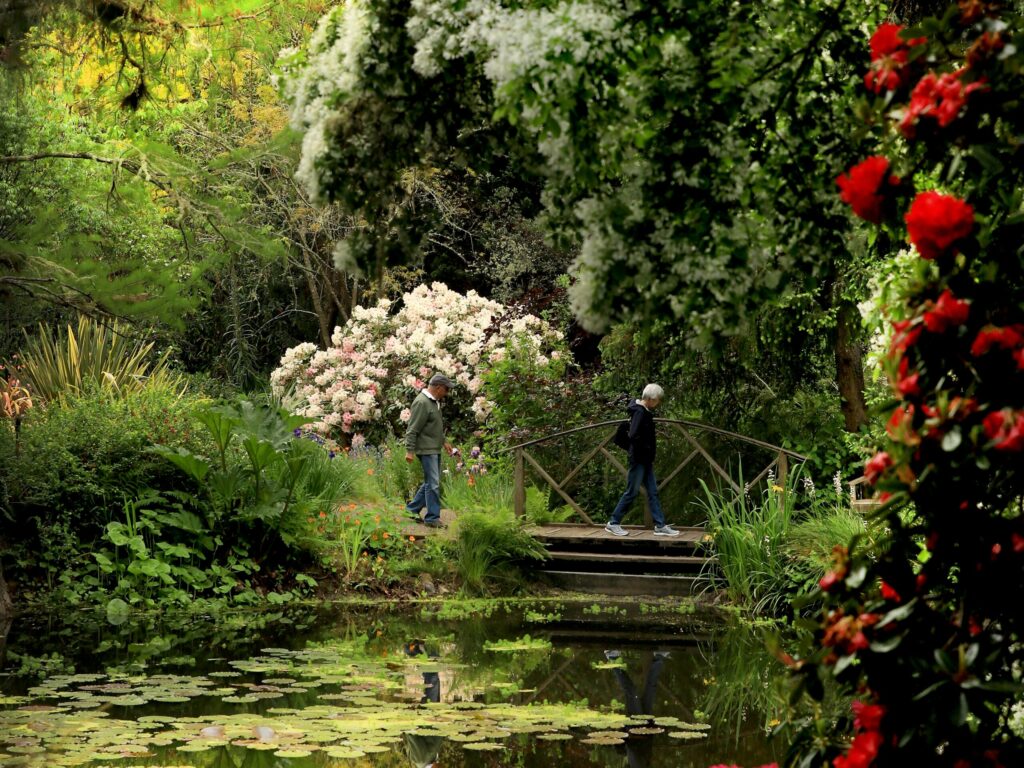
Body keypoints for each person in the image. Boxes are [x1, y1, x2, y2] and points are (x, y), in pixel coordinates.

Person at [605, 384, 680, 537]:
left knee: (653, 492)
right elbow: (633, 435)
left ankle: (660, 525)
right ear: (651, 399)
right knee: (632, 491)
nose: (658, 403)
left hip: (645, 460)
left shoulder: (642, 411)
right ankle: (613, 522)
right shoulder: (640, 412)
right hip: (639, 459)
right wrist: (644, 448)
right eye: (658, 400)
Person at [405, 373, 454, 528]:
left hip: (434, 448)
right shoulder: (422, 403)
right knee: (433, 484)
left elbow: (434, 427)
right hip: (426, 450)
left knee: (430, 483)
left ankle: (411, 510)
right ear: (438, 388)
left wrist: (443, 441)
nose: (446, 393)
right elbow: (412, 429)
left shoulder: (434, 402)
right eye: (446, 390)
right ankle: (432, 518)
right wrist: (409, 451)